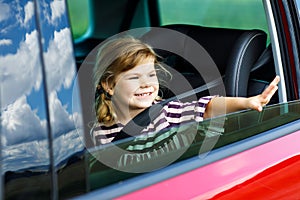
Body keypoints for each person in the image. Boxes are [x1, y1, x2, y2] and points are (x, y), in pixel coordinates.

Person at [92, 37, 280, 146]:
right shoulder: (99, 130)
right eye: (134, 78)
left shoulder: (165, 114)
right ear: (109, 85)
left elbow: (206, 107)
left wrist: (247, 102)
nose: (146, 84)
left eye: (151, 75)